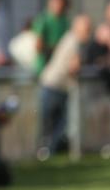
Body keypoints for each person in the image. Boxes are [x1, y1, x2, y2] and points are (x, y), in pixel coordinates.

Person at [37, 14, 92, 159]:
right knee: (53, 125)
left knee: (56, 125)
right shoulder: (74, 42)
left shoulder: (71, 39)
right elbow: (74, 67)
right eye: (86, 29)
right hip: (54, 85)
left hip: (56, 85)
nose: (89, 32)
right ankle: (46, 153)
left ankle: (48, 153)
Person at [32, 0, 70, 74]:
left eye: (61, 4)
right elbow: (38, 46)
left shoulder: (65, 21)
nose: (58, 6)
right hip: (45, 64)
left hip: (60, 65)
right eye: (56, 3)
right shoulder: (43, 20)